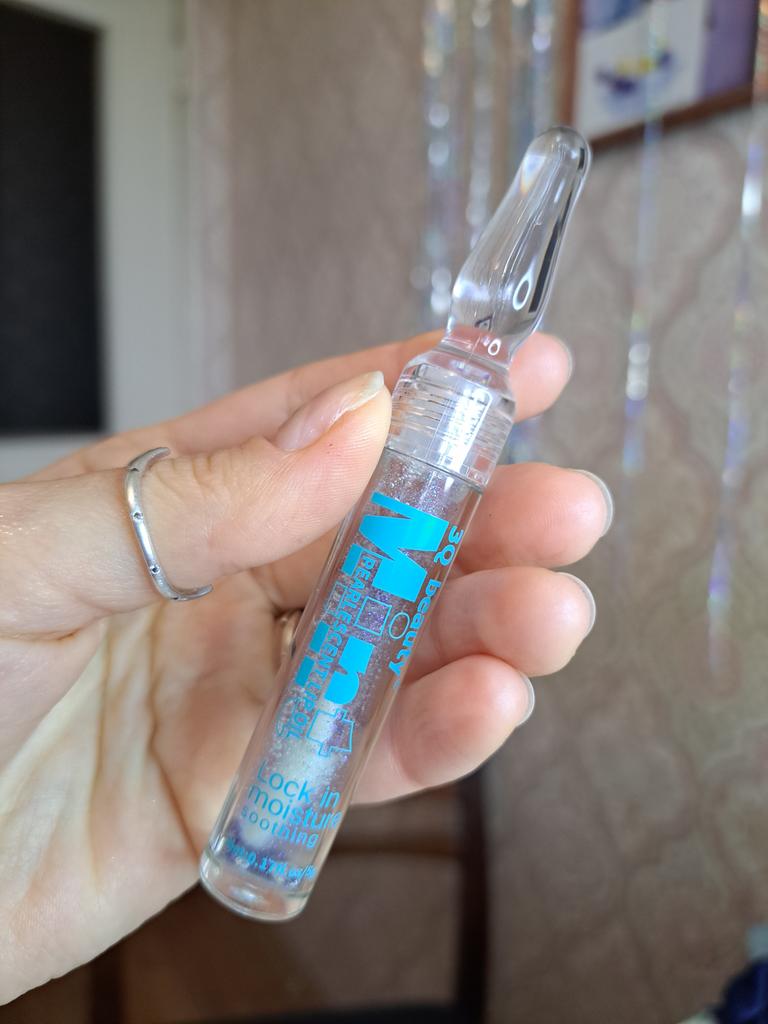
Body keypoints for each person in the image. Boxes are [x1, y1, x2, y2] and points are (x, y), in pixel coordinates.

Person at [0, 329, 611, 1002]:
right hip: (189, 797)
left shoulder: (442, 491)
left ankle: (268, 857)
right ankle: (249, 850)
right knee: (351, 666)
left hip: (225, 831)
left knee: (370, 671)